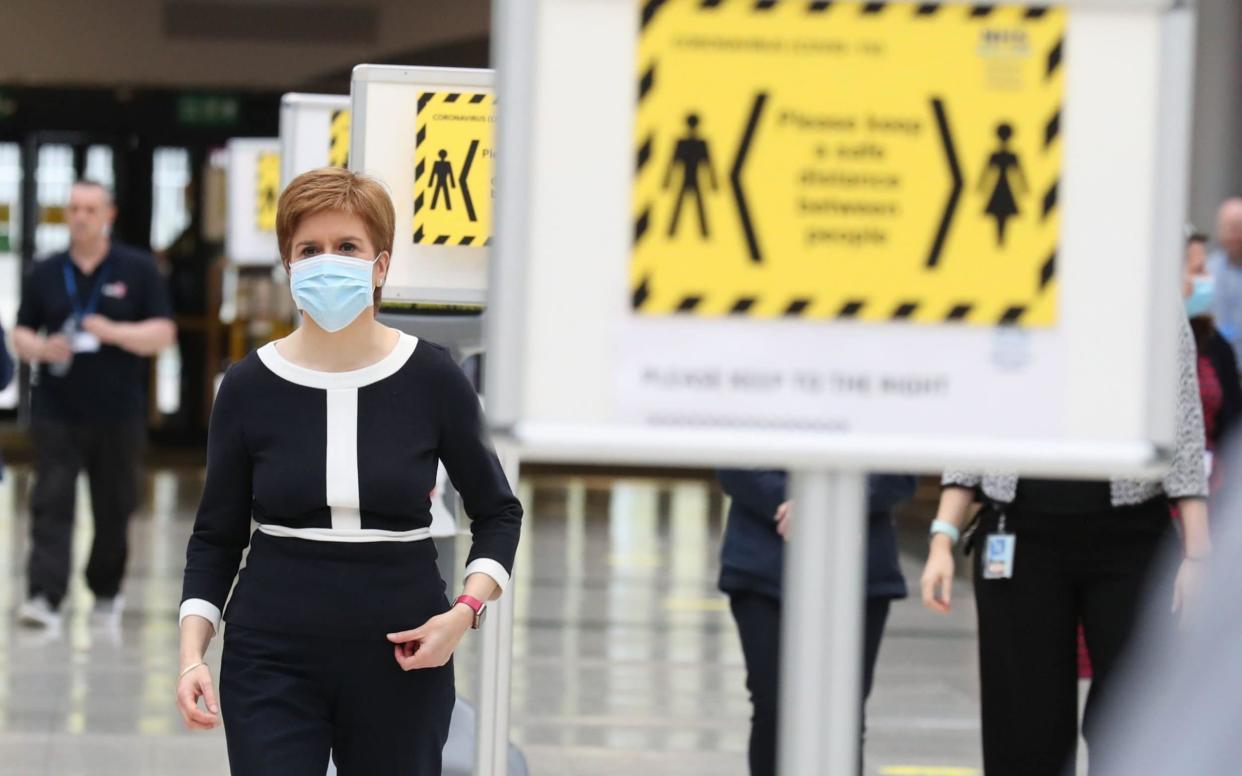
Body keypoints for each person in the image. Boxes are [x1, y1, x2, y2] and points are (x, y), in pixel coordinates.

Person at [175, 168, 523, 775]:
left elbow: (498, 512)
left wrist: (464, 613)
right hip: (270, 651)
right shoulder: (248, 386)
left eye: (347, 247)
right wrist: (191, 655)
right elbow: (216, 536)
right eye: (309, 249)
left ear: (380, 266)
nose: (327, 261)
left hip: (405, 649)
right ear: (288, 264)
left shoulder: (432, 377)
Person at [920, 315, 1210, 776]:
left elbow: (1182, 424)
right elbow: (973, 416)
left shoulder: (1147, 293)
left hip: (1131, 537)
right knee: (1023, 725)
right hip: (1018, 536)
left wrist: (1198, 554)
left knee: (1134, 717)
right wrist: (943, 536)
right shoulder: (1006, 291)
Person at [11, 180, 176, 629]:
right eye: (73, 209)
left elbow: (163, 333)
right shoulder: (45, 270)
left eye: (89, 209)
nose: (80, 217)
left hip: (118, 412)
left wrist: (115, 332)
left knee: (114, 506)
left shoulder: (137, 269)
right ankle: (44, 596)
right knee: (51, 503)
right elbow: (20, 332)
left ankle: (106, 591)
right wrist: (42, 349)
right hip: (57, 411)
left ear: (109, 215)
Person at [716, 470, 914, 776]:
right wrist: (792, 503)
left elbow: (899, 469)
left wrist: (835, 505)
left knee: (844, 713)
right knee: (774, 706)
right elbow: (735, 460)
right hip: (763, 560)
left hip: (859, 567)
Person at [1185, 232, 1242, 460]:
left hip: (1213, 479)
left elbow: (1232, 421)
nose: (1207, 279)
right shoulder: (1149, 346)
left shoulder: (1214, 343)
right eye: (1198, 271)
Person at [1207, 197, 1242, 349]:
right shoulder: (1208, 270)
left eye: (1238, 227)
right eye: (1227, 227)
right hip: (1219, 362)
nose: (1233, 235)